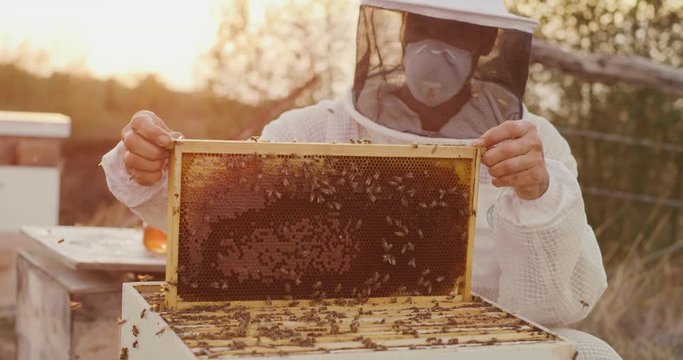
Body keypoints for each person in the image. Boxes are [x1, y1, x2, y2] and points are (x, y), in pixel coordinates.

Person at [101, 1, 621, 358]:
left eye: (458, 31)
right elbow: (216, 221)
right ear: (399, 30)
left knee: (595, 353)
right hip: (328, 339)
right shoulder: (310, 130)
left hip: (474, 345)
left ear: (489, 40)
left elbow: (554, 305)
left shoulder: (534, 144)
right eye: (423, 27)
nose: (436, 47)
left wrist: (538, 195)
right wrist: (150, 165)